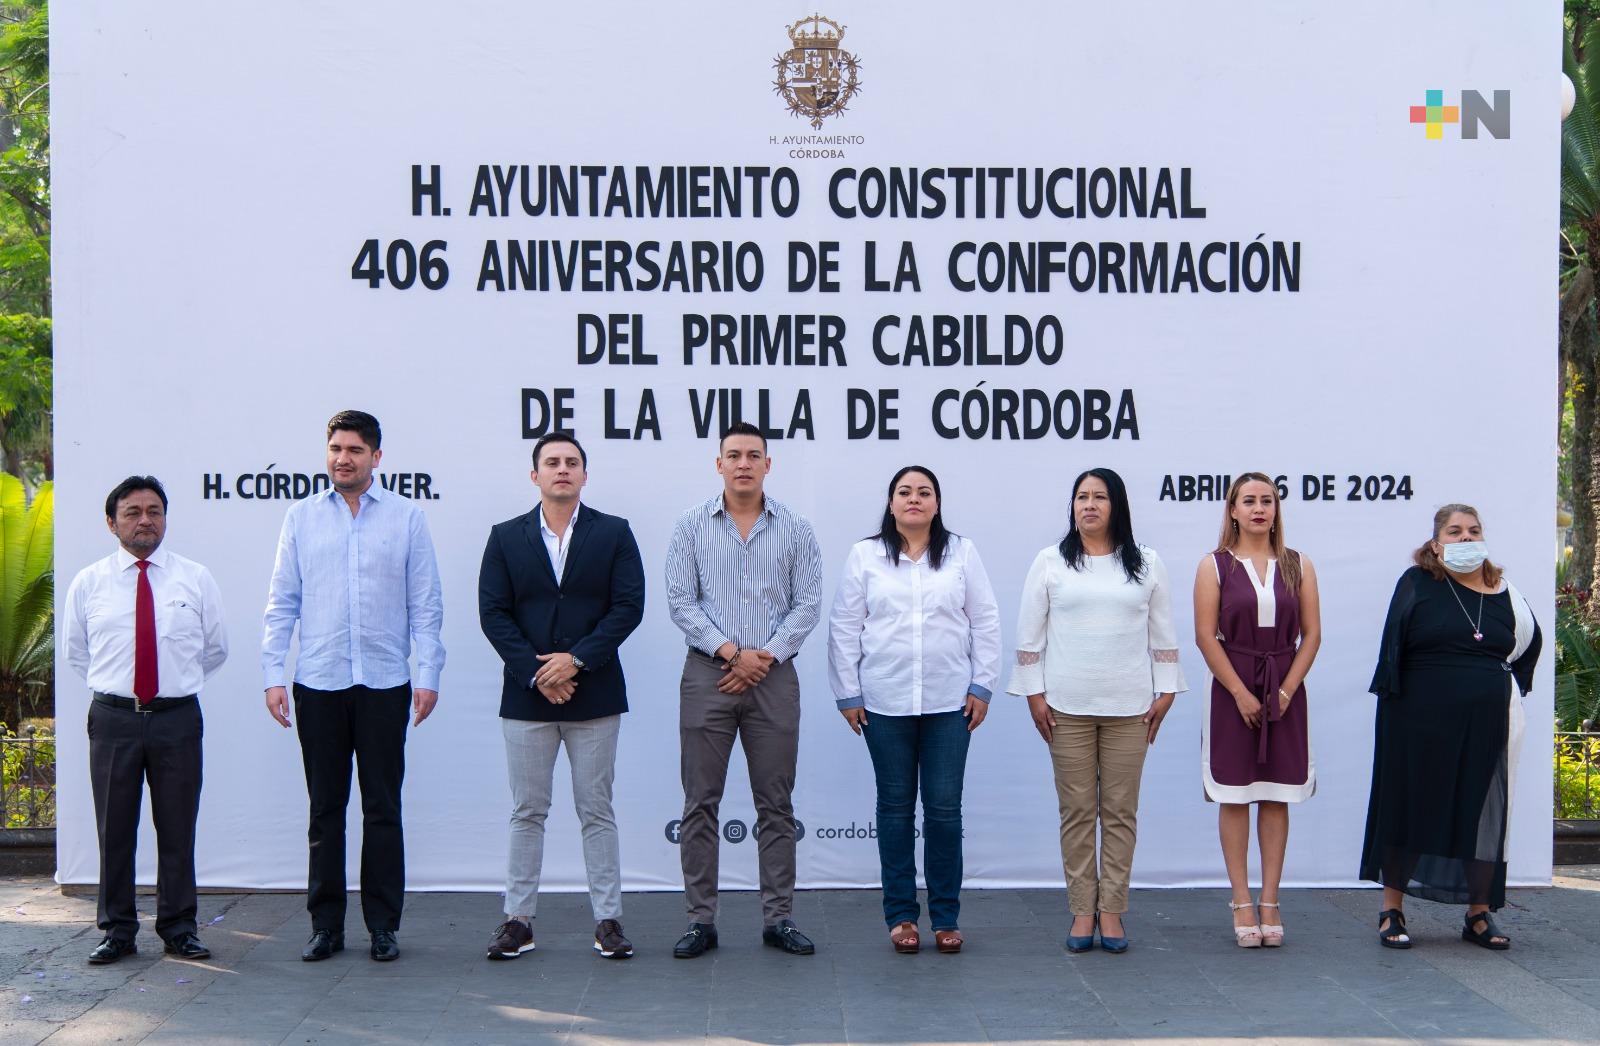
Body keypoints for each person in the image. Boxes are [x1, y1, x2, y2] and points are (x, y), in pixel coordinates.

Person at [262, 410, 445, 963]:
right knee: (325, 810)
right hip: (318, 682)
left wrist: (428, 675)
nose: (343, 459)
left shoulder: (407, 518)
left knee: (383, 808)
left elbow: (426, 604)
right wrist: (273, 675)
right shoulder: (300, 517)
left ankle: (383, 926)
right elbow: (282, 602)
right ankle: (326, 927)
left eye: (355, 450)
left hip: (386, 682)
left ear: (376, 457)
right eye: (336, 449)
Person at [477, 432, 645, 961]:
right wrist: (538, 673)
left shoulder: (613, 532)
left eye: (572, 462)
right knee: (528, 811)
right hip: (527, 699)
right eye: (552, 462)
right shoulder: (505, 537)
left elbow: (628, 606)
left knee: (597, 810)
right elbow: (493, 613)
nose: (562, 469)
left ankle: (609, 921)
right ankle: (518, 920)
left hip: (594, 695)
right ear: (535, 475)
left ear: (585, 475)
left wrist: (575, 661)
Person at [1007, 467, 1186, 954]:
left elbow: (1163, 634)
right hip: (1066, 708)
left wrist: (1167, 690)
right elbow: (1029, 634)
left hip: (1131, 709)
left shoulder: (1146, 562)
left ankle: (1112, 911)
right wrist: (1034, 694)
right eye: (1081, 497)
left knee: (1121, 813)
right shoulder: (1050, 561)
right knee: (1078, 812)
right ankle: (1082, 910)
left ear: (1117, 505)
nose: (1089, 505)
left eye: (1099, 497)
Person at [826, 466, 1001, 955]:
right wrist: (848, 693)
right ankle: (901, 915)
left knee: (944, 811)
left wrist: (982, 684)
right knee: (895, 809)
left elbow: (985, 621)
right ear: (891, 503)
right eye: (904, 492)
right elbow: (844, 626)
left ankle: (945, 916)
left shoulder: (962, 553)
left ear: (937, 503)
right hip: (885, 702)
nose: (914, 499)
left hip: (950, 702)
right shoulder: (866, 555)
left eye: (924, 492)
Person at [664, 421, 823, 958]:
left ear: (767, 465)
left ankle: (778, 918)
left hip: (774, 678)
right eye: (733, 455)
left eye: (754, 455)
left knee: (776, 803)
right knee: (700, 802)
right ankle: (700, 921)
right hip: (708, 675)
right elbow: (681, 601)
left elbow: (807, 605)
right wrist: (734, 654)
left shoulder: (796, 528)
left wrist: (764, 658)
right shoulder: (691, 526)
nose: (743, 463)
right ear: (719, 464)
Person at [1361, 504, 1541, 950]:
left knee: (1482, 810)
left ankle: (1478, 915)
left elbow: (1528, 645)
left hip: (1487, 722)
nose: (1466, 539)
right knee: (1409, 805)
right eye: (1455, 531)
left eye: (1473, 531)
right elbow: (1393, 650)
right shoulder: (1417, 583)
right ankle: (1392, 910)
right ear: (1436, 543)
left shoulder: (1505, 591)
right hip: (1417, 721)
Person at [64, 476, 228, 964]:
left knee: (177, 827)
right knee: (114, 828)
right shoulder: (89, 582)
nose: (145, 521)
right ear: (111, 522)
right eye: (132, 512)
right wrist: (121, 689)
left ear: (165, 519)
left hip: (176, 719)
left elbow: (215, 648)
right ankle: (117, 930)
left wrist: (172, 686)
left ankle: (179, 927)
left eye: (154, 511)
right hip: (113, 718)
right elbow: (77, 652)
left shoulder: (195, 578)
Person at [1193, 473, 1321, 948]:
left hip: (1284, 686)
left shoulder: (1298, 564)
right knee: (1234, 793)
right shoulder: (1214, 565)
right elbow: (1206, 636)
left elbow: (1312, 635)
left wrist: (1285, 691)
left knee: (1275, 794)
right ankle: (1241, 899)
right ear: (1233, 510)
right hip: (1233, 688)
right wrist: (1240, 693)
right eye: (1249, 501)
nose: (1259, 508)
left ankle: (1270, 900)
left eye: (1267, 500)